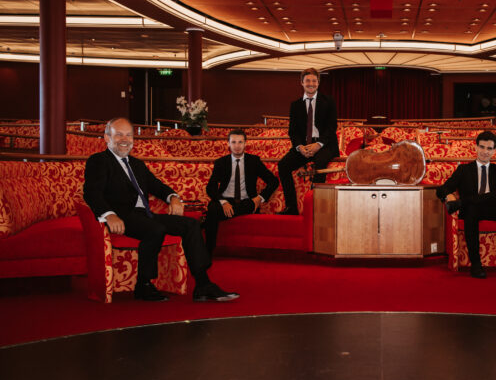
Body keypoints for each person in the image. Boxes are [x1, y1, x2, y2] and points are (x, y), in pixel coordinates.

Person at [83, 118, 239, 302]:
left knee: (190, 225)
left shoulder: (137, 164)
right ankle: (143, 285)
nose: (124, 139)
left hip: (145, 216)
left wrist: (173, 198)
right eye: (119, 135)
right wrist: (109, 215)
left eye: (128, 135)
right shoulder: (99, 161)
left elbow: (157, 186)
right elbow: (91, 193)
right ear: (107, 138)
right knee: (155, 229)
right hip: (121, 217)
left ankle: (203, 284)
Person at [436, 131, 496, 279]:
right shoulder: (464, 170)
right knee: (472, 209)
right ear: (476, 147)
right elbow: (442, 189)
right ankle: (476, 264)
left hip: (494, 210)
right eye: (482, 147)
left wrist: (464, 202)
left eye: (489, 148)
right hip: (473, 212)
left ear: (494, 150)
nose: (485, 151)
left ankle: (464, 202)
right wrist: (448, 195)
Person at [204, 128, 279, 255]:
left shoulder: (254, 161)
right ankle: (208, 252)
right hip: (226, 200)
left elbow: (273, 181)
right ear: (228, 144)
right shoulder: (221, 163)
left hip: (247, 201)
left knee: (247, 205)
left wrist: (259, 198)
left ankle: (207, 222)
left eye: (240, 142)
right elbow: (210, 187)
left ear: (245, 143)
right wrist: (223, 202)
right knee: (212, 208)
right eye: (233, 142)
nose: (237, 146)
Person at [277, 67, 339, 215]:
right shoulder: (295, 105)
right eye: (307, 81)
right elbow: (293, 131)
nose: (311, 83)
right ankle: (291, 207)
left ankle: (314, 207)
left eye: (314, 81)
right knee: (283, 165)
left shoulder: (329, 101)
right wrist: (299, 147)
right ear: (302, 83)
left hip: (325, 144)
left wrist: (318, 144)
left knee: (320, 162)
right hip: (304, 145)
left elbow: (331, 127)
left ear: (318, 83)